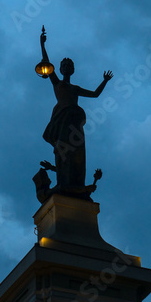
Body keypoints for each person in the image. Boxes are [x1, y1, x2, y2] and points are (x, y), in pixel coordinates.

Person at [39, 28, 112, 193]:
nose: (66, 67)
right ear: (60, 68)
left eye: (68, 65)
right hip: (62, 118)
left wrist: (104, 81)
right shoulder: (58, 83)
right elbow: (46, 62)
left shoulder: (75, 88)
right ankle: (62, 181)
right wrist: (42, 44)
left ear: (72, 69)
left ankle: (75, 181)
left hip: (74, 120)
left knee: (76, 149)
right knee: (61, 148)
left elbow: (95, 94)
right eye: (63, 65)